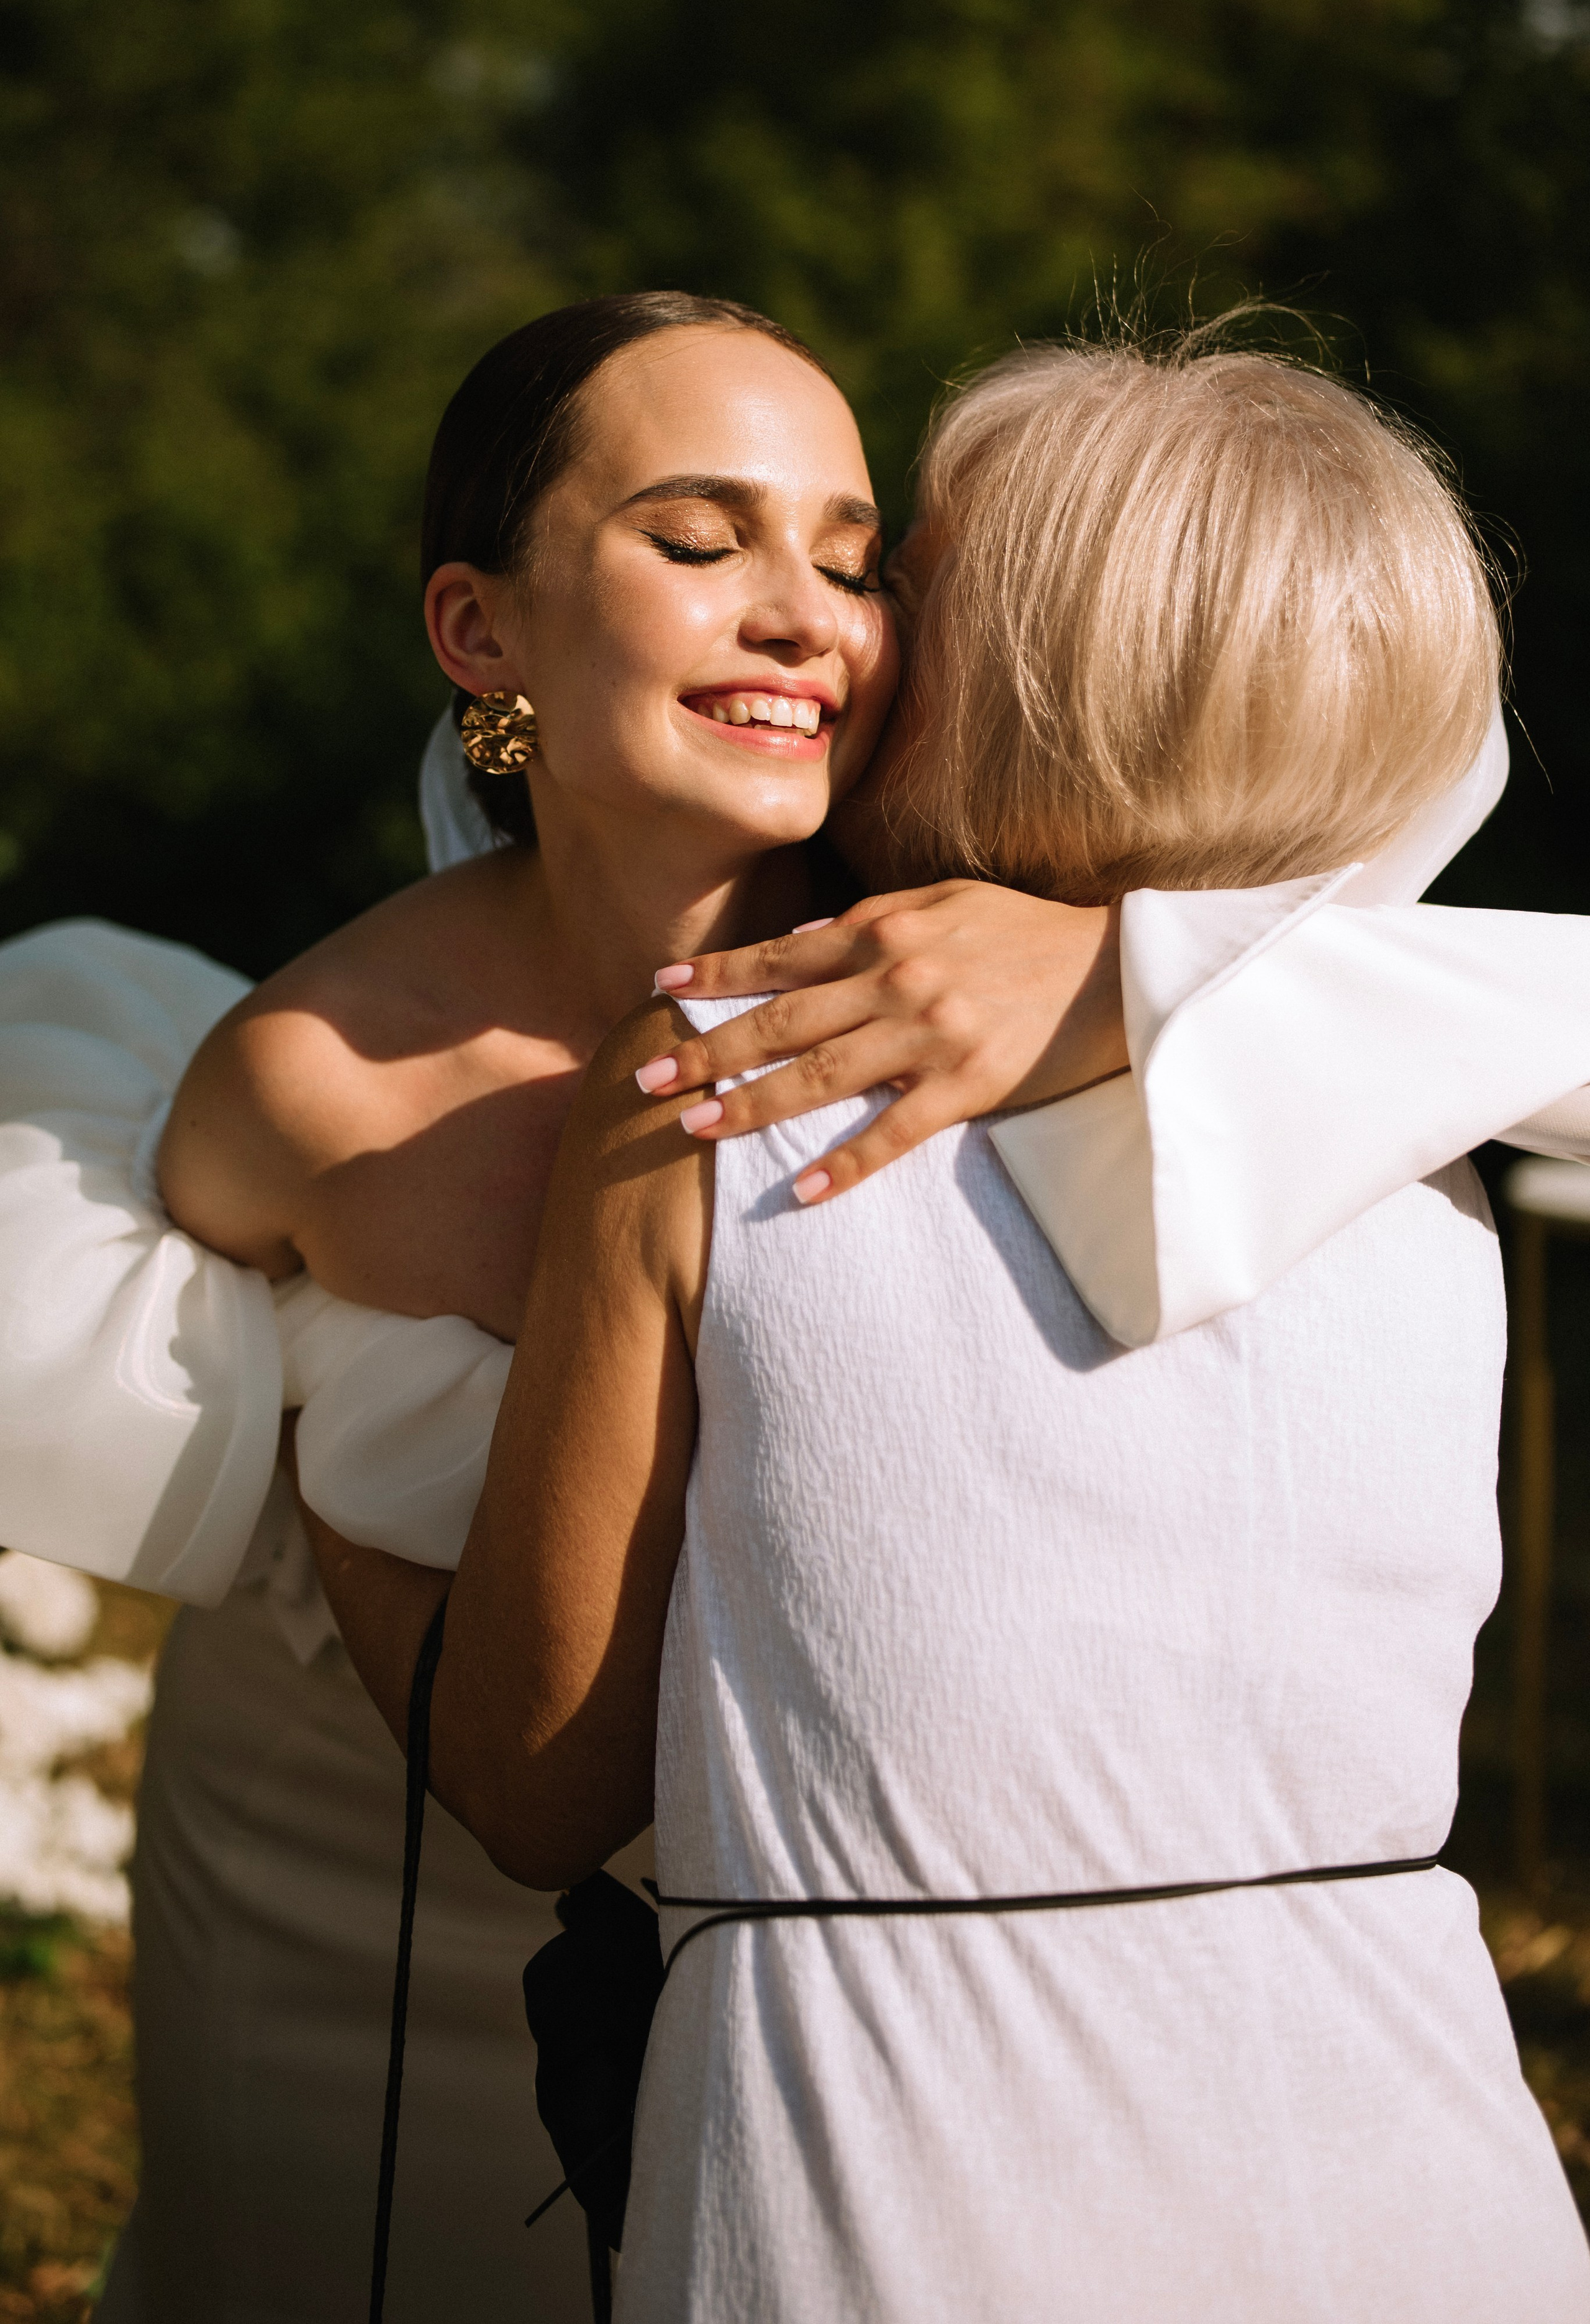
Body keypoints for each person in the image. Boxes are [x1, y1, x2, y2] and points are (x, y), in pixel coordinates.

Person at [425, 337, 1590, 2320]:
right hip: (1425, 2171)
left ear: (994, 671)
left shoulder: (715, 1085)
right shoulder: (1442, 1105)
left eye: (898, 580)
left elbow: (535, 1782)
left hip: (889, 2173)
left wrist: (321, 1418)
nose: (852, 633)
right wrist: (1168, 964)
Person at [0, 292, 1132, 2324]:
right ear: (481, 632)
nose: (804, 617)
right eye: (699, 539)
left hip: (860, 2004)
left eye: (852, 560)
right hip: (337, 1920)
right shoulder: (310, 1080)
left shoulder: (1012, 955)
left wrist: (1113, 970)